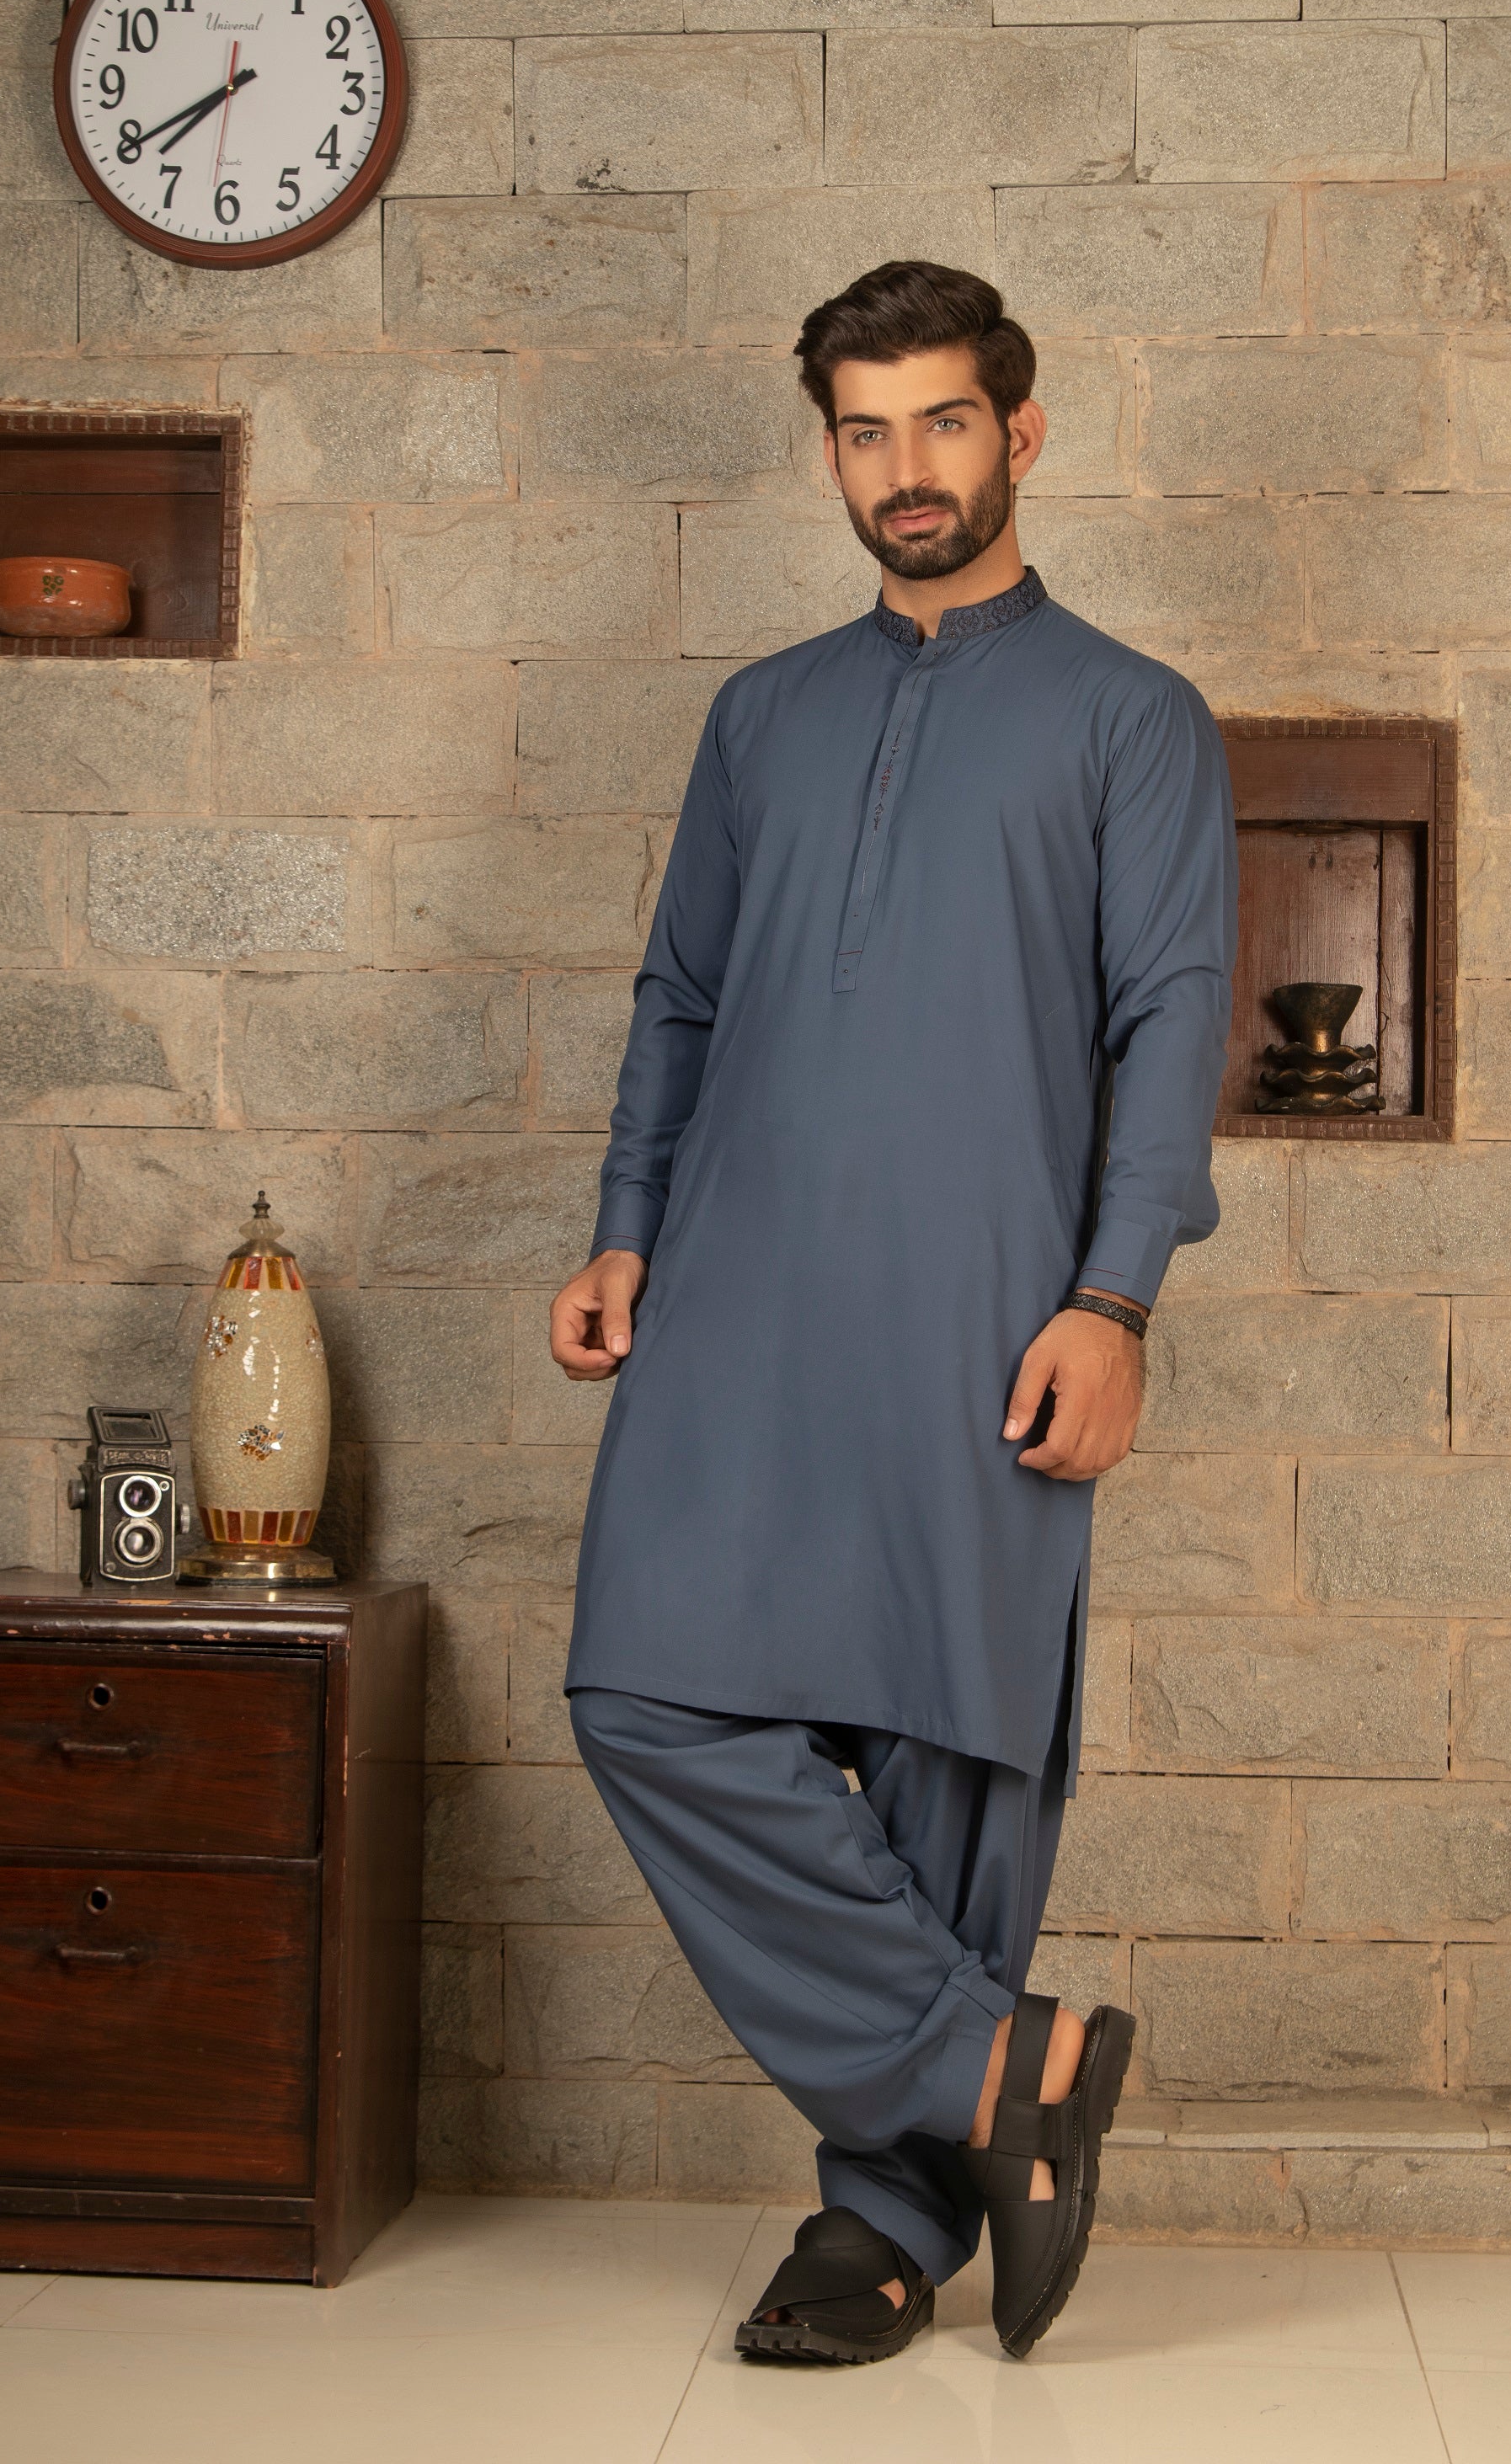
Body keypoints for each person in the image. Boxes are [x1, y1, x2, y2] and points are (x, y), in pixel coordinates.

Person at [549, 263, 1236, 2364]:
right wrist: (625, 1227)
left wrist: (1112, 1301)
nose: (903, 468)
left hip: (986, 1304)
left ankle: (881, 2225)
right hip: (739, 1291)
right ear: (830, 452)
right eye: (864, 430)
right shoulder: (761, 717)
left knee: (954, 1757)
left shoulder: (1129, 715)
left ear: (1018, 434)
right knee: (642, 1691)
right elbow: (681, 997)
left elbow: (1169, 1017)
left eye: (942, 422)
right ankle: (1001, 2071)